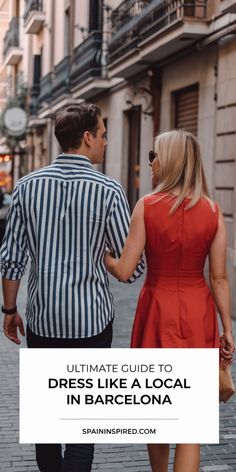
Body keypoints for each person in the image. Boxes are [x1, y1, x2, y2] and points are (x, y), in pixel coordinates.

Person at [0, 103, 144, 472]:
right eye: (104, 134)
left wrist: (9, 310)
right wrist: (107, 258)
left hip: (44, 323)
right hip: (91, 325)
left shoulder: (27, 188)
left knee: (48, 422)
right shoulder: (109, 191)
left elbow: (11, 257)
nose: (107, 142)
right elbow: (133, 267)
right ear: (87, 137)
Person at [104, 129, 235, 472]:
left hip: (156, 312)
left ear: (172, 160)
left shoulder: (146, 206)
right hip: (197, 314)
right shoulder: (212, 210)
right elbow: (218, 277)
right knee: (190, 424)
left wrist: (103, 255)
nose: (151, 162)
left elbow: (124, 270)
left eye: (155, 155)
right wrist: (228, 328)